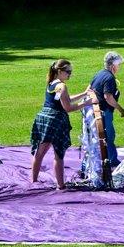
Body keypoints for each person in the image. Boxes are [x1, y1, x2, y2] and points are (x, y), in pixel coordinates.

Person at [30, 59, 96, 189]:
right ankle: (60, 186)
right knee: (59, 154)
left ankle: (34, 180)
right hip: (55, 121)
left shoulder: (52, 83)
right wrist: (87, 103)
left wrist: (84, 94)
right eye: (68, 72)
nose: (70, 75)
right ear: (59, 71)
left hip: (43, 118)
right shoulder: (62, 86)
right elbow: (68, 108)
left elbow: (66, 99)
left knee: (40, 152)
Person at [89, 51, 124, 167]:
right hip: (104, 112)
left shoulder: (99, 74)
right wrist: (120, 108)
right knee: (108, 137)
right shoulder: (109, 78)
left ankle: (98, 161)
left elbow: (89, 90)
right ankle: (111, 161)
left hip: (94, 111)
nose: (119, 67)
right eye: (118, 65)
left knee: (97, 138)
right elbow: (108, 97)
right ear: (113, 65)